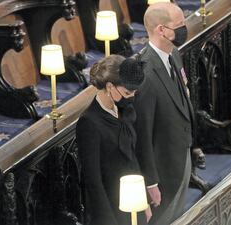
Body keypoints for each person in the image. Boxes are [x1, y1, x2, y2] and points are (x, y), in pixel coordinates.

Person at [134, 3, 194, 224]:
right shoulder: (145, 74)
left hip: (181, 151)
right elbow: (142, 133)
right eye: (179, 25)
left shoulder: (174, 54)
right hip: (163, 167)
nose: (184, 28)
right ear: (161, 30)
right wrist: (150, 182)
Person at [76, 55, 147, 225]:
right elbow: (93, 181)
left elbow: (132, 156)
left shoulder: (123, 109)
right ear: (110, 87)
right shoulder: (89, 123)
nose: (132, 97)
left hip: (134, 202)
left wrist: (143, 202)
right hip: (112, 210)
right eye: (127, 93)